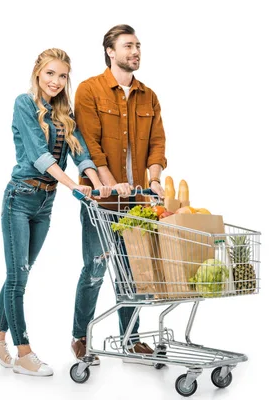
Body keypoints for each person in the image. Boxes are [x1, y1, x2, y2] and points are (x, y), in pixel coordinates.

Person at [0, 48, 116, 377]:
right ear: (38, 73)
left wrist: (97, 184)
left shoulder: (63, 111)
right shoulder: (24, 104)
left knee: (20, 274)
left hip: (45, 202)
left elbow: (80, 149)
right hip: (20, 197)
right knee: (17, 279)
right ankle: (23, 351)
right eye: (50, 74)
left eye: (63, 76)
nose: (56, 81)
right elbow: (41, 157)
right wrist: (74, 186)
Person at [71, 24, 167, 366]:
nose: (136, 51)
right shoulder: (89, 90)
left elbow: (157, 144)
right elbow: (89, 144)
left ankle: (131, 339)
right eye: (128, 46)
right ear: (110, 51)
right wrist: (110, 183)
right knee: (96, 269)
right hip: (102, 199)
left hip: (138, 200)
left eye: (138, 45)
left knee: (134, 271)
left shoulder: (148, 96)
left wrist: (154, 180)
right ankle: (82, 336)